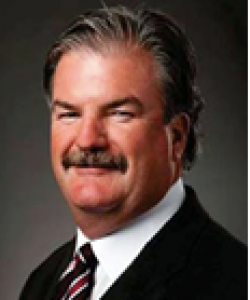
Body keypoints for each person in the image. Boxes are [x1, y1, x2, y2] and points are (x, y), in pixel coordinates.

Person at [20, 6, 248, 300]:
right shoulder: (43, 283)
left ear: (177, 137)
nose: (88, 139)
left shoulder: (234, 283)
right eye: (69, 114)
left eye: (120, 114)